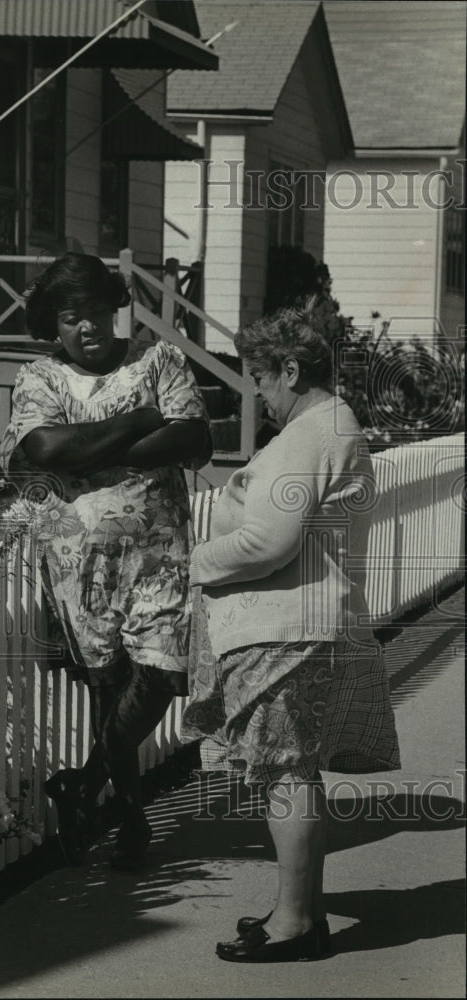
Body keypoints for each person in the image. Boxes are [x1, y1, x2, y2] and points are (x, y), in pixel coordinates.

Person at [182, 300, 400, 962]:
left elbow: (270, 542)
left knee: (286, 775)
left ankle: (297, 925)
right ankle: (296, 911)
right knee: (294, 773)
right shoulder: (333, 429)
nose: (262, 396)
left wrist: (194, 562)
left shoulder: (310, 436)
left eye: (264, 379)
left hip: (288, 630)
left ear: (292, 368)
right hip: (305, 626)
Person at [0, 252, 212, 869]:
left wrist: (87, 451)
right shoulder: (39, 377)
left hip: (162, 554)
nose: (87, 327)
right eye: (71, 318)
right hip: (80, 566)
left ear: (114, 309)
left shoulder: (158, 357)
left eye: (95, 312)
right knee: (110, 685)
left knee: (164, 675)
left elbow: (194, 438)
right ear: (54, 324)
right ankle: (134, 820)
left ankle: (86, 784)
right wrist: (143, 419)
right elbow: (43, 445)